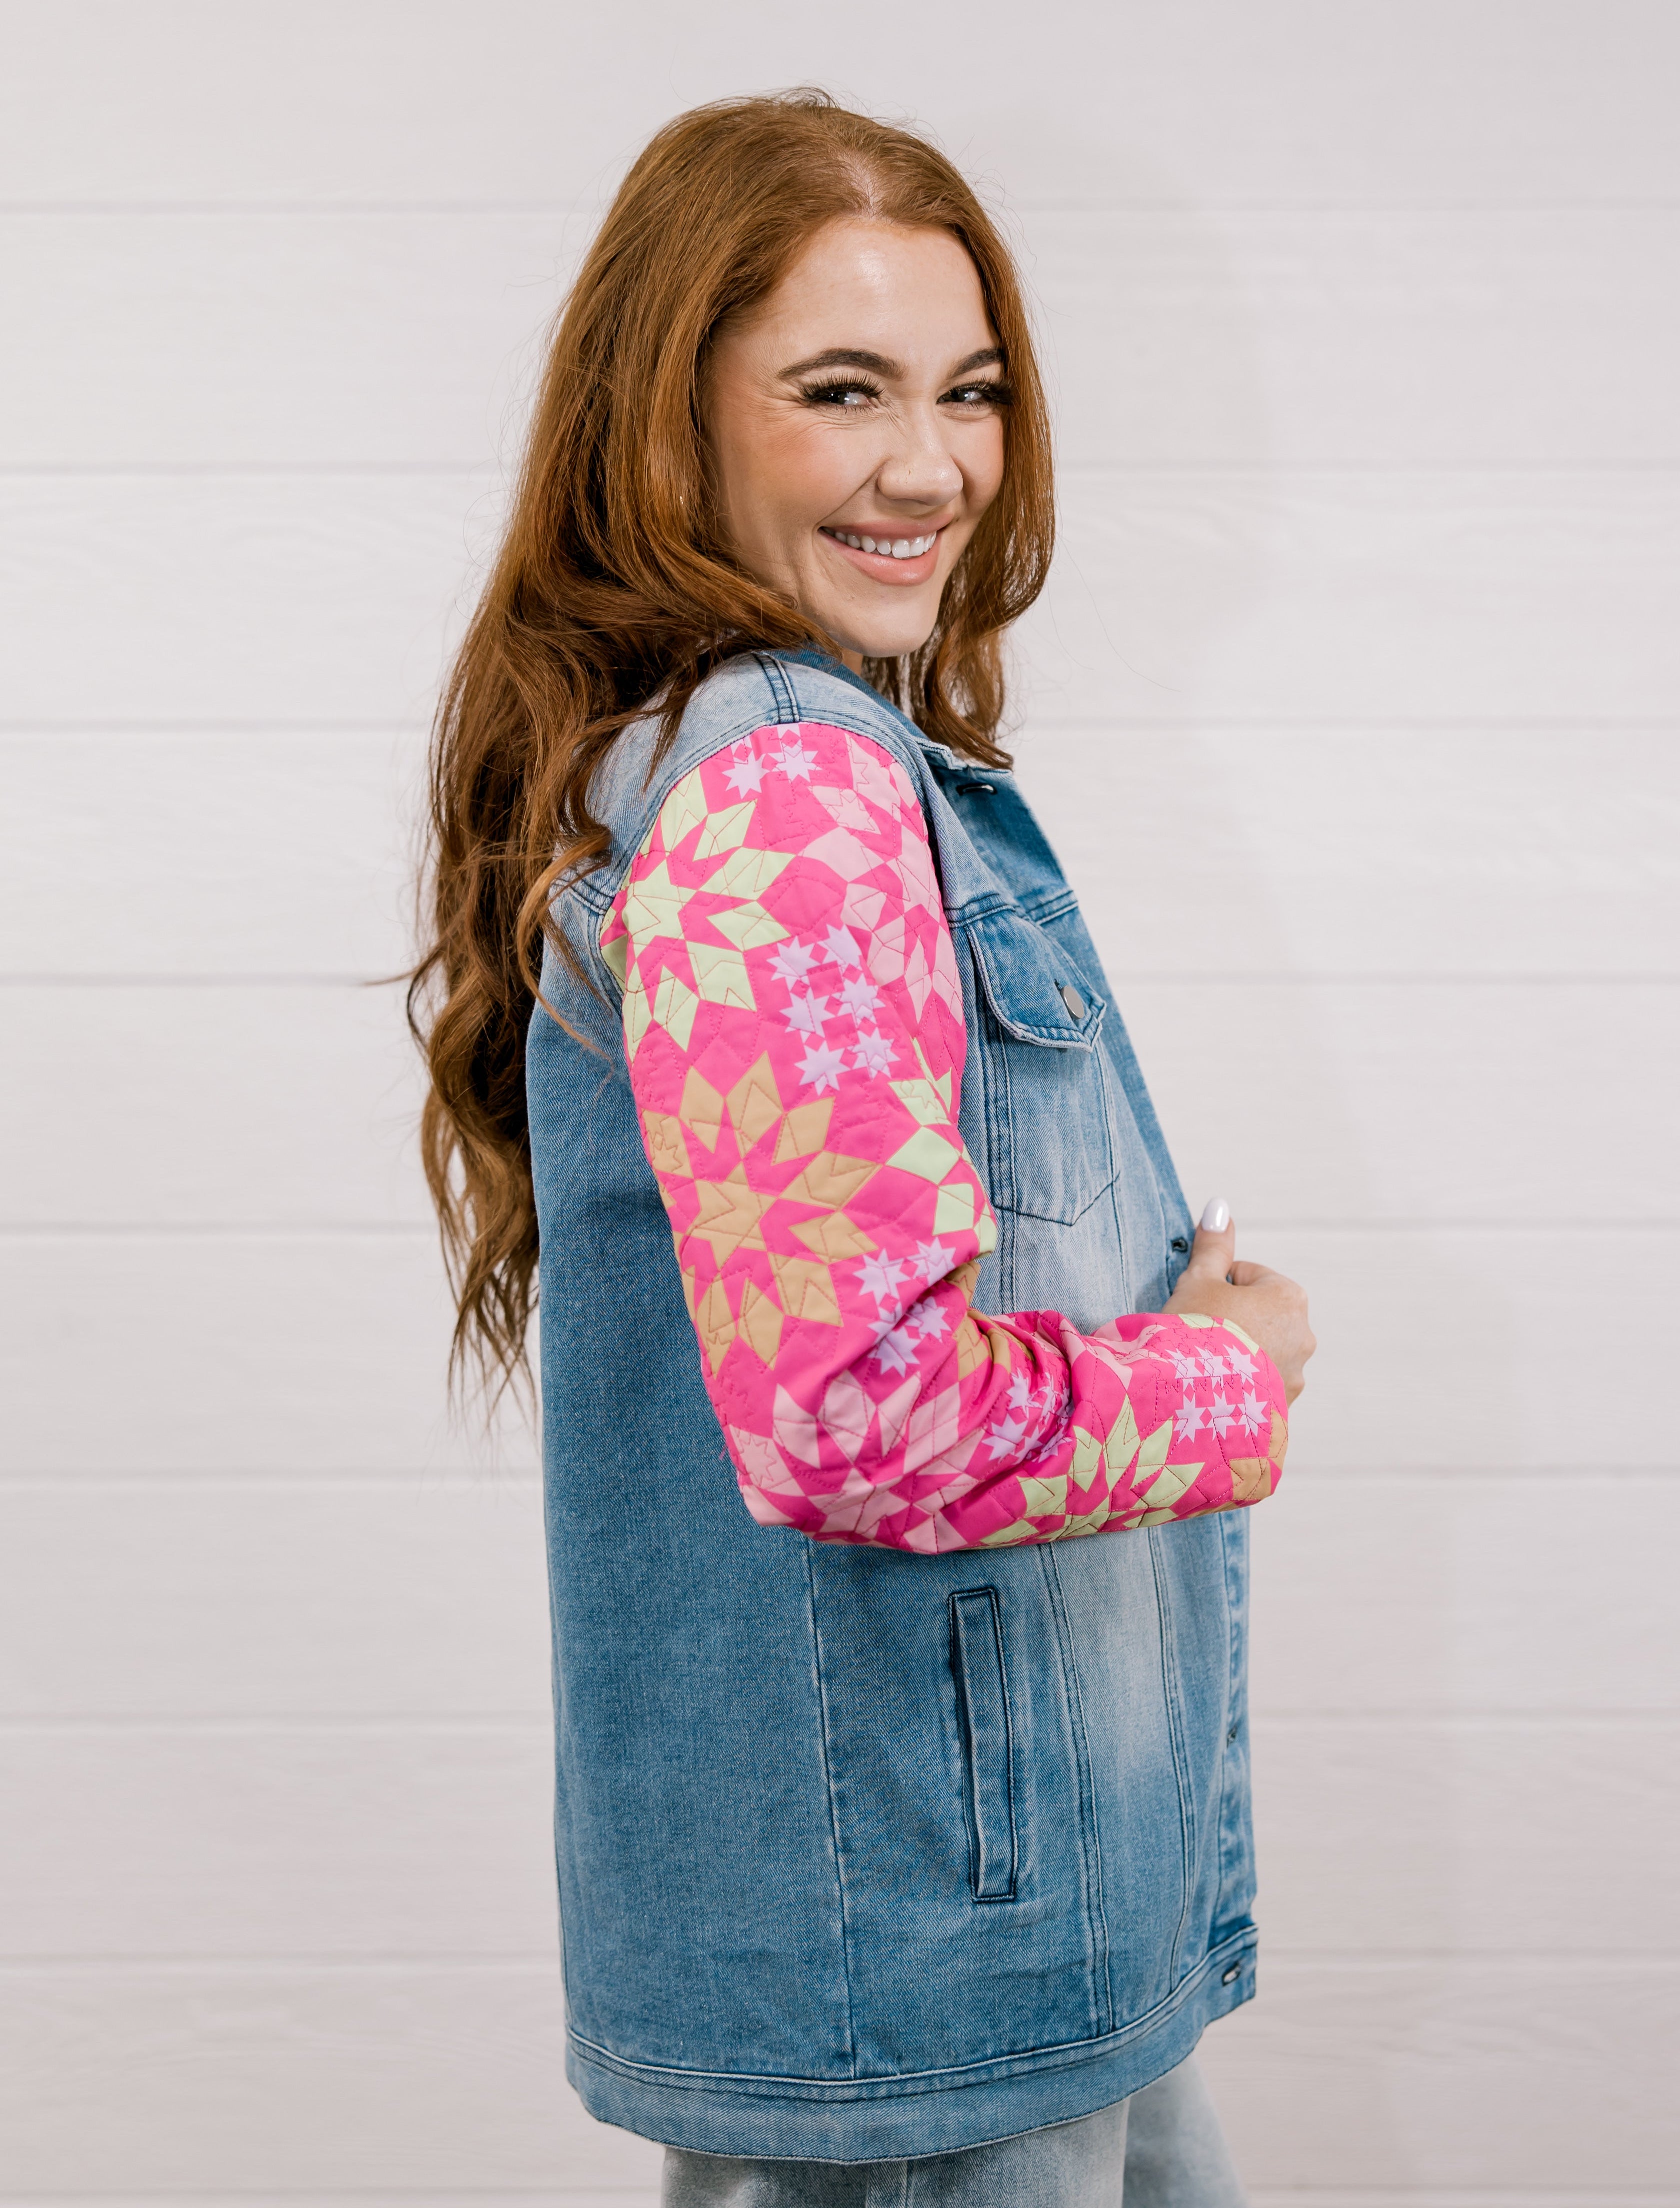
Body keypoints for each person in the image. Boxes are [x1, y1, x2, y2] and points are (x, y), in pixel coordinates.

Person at [413, 90, 1315, 2206]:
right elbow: (856, 1416)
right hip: (930, 1947)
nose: (931, 466)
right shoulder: (789, 789)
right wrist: (1232, 1375)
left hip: (969, 1926)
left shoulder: (775, 766)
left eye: (970, 391)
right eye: (842, 391)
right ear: (672, 419)